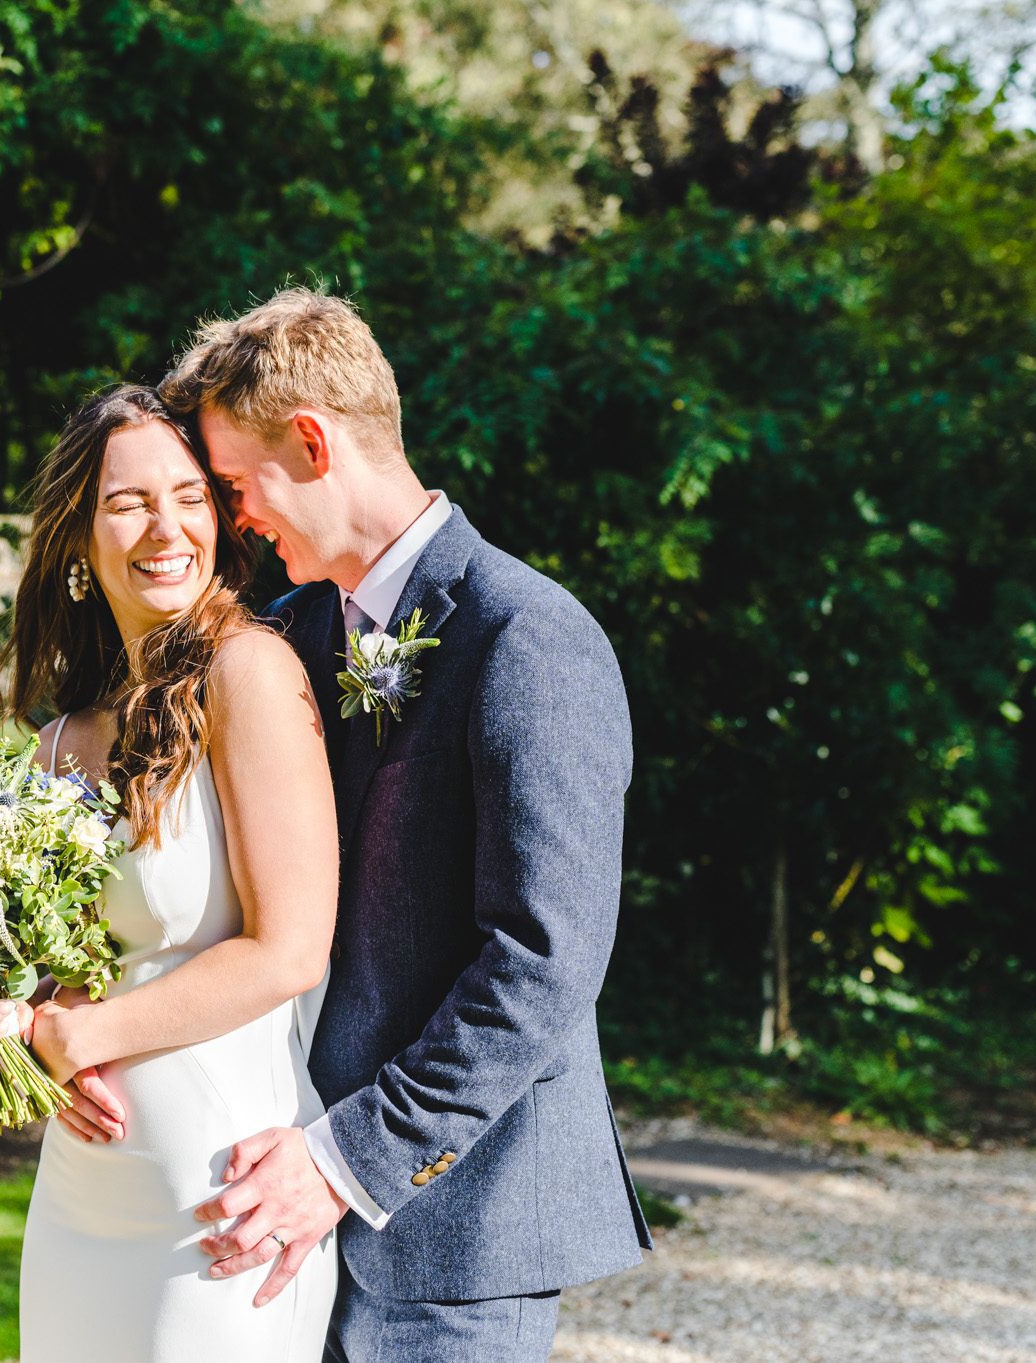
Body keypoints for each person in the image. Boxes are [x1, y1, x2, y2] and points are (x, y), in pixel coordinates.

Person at [154, 287, 652, 1361]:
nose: (235, 519)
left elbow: (543, 957)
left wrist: (344, 1159)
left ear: (311, 440)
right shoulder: (283, 637)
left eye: (237, 485)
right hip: (272, 1204)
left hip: (454, 1237)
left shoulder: (527, 638)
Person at [0, 383, 342, 1362]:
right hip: (80, 1201)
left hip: (220, 1202)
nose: (164, 527)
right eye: (127, 501)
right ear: (79, 536)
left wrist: (82, 1033)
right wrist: (5, 1016)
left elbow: (289, 948)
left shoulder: (251, 673)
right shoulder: (58, 745)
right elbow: (54, 970)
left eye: (187, 496)